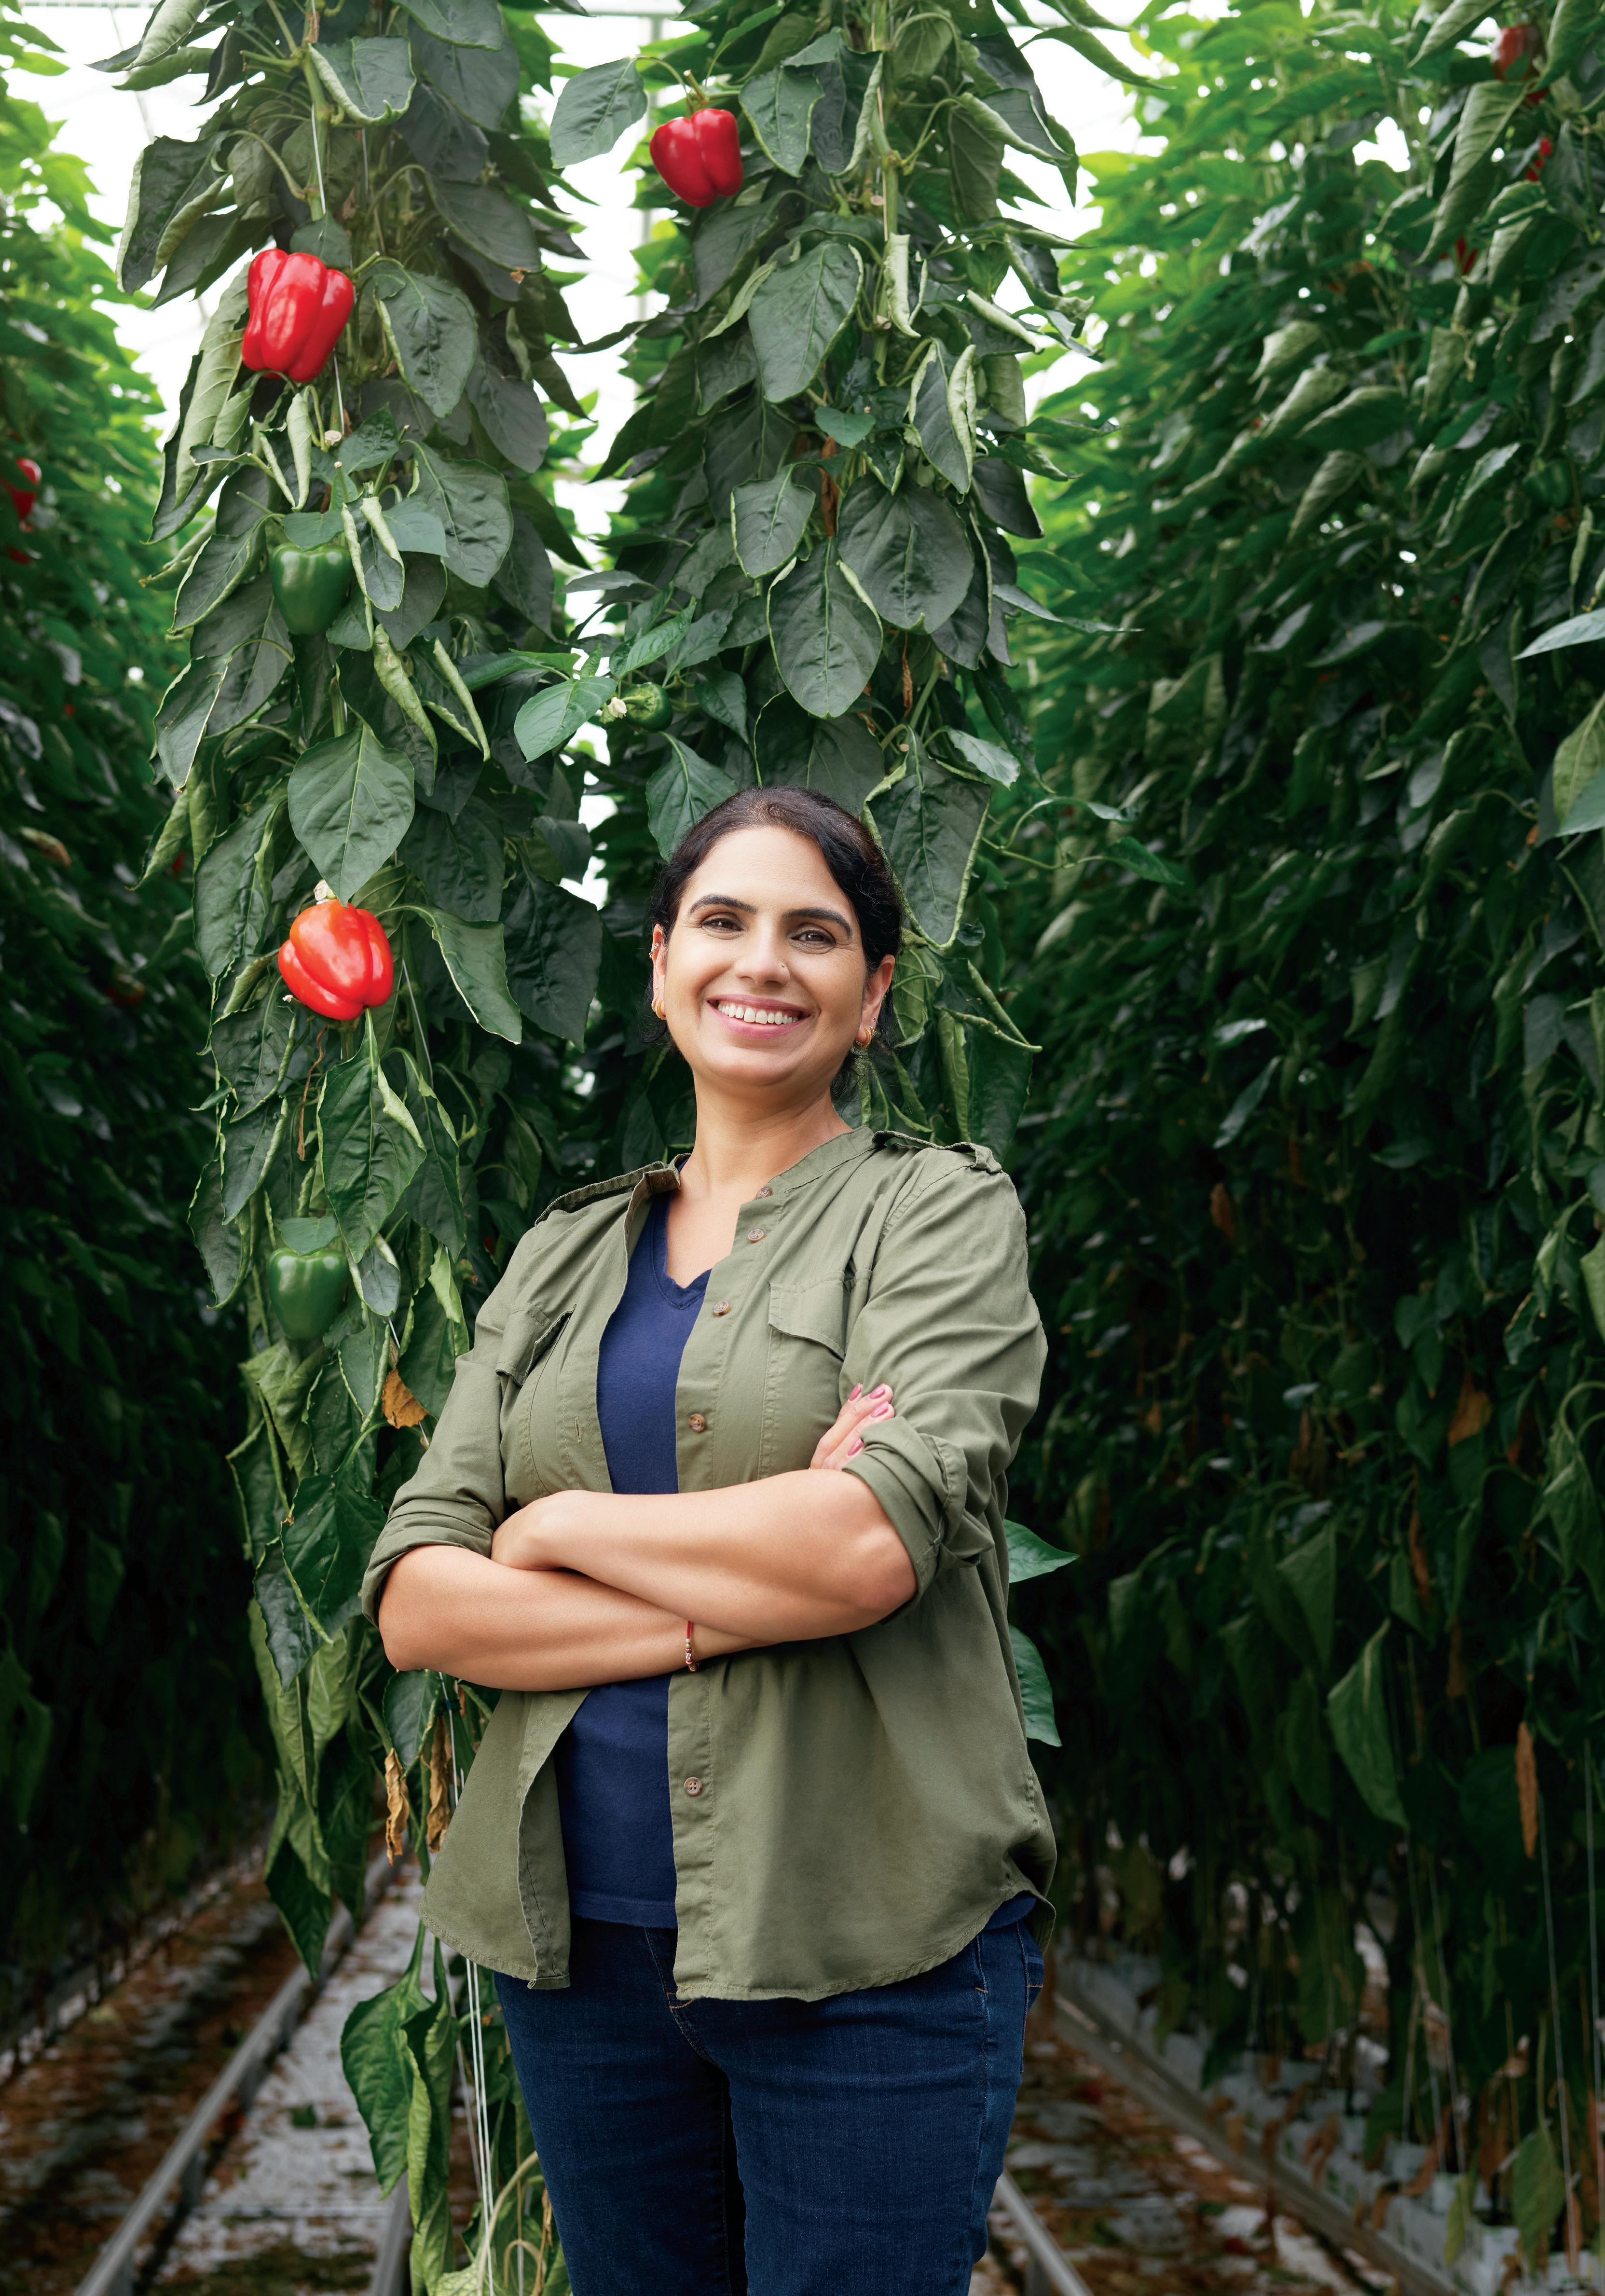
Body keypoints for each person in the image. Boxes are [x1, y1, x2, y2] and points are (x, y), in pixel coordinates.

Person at [366, 785, 1053, 2296]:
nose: (764, 963)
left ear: (874, 994)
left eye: (816, 934)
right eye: (725, 923)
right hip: (585, 1953)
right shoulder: (563, 1256)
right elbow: (419, 1600)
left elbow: (867, 1553)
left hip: (869, 1942)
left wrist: (559, 1527)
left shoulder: (936, 1216)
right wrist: (744, 1585)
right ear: (665, 962)